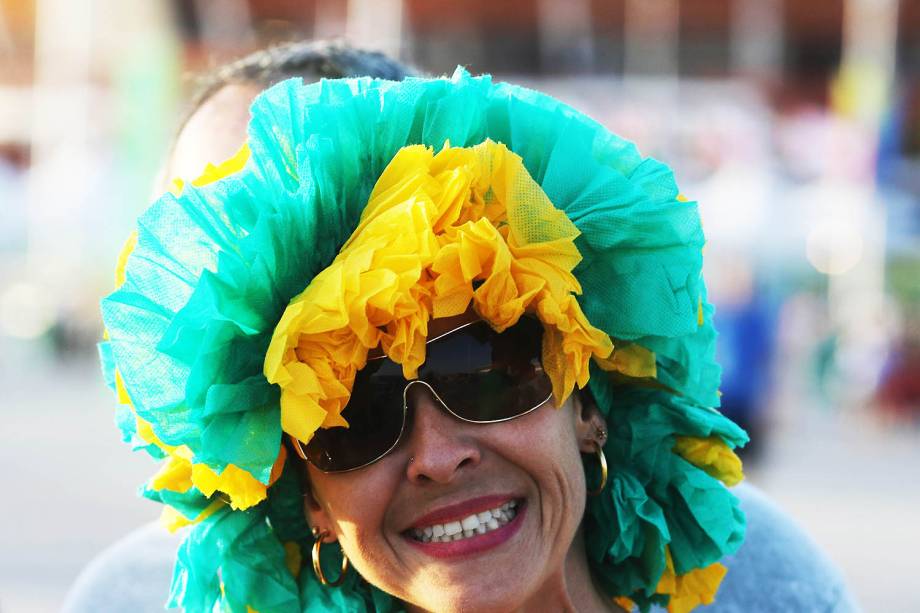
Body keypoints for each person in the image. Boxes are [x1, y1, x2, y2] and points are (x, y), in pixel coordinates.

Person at [83, 41, 857, 613]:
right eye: (350, 412)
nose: (437, 455)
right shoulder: (125, 596)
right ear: (297, 483)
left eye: (484, 365)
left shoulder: (764, 582)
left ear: (586, 391)